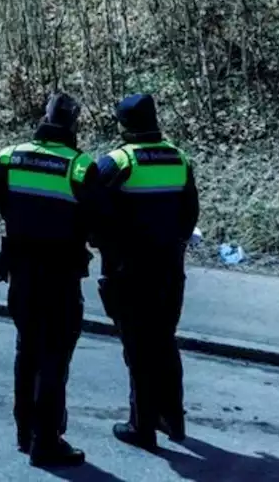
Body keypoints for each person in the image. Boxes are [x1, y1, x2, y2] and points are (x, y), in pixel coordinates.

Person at [0, 92, 99, 468]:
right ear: (74, 123)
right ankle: (46, 441)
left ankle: (24, 432)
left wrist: (20, 218)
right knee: (55, 357)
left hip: (22, 271)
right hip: (61, 276)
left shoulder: (12, 156)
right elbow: (101, 221)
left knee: (27, 351)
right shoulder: (79, 167)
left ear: (44, 117)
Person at [93, 92, 200, 450]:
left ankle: (142, 426)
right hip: (170, 268)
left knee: (138, 347)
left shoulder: (119, 161)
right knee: (165, 341)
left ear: (123, 125)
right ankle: (173, 418)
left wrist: (101, 243)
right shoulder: (179, 158)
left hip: (129, 271)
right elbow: (190, 215)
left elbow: (90, 204)